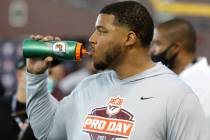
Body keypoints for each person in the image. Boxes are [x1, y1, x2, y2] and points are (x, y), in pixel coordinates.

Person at [26, 1, 209, 140]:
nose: (92, 39)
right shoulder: (87, 86)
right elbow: (46, 132)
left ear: (129, 39)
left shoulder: (177, 96)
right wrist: (35, 77)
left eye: (102, 31)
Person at [150, 18, 210, 122]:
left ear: (175, 47)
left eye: (158, 44)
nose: (152, 50)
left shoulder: (207, 82)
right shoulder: (156, 76)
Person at [0, 57, 37, 140]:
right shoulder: (2, 107)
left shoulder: (52, 112)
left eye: (43, 73)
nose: (38, 78)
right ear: (19, 75)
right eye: (33, 72)